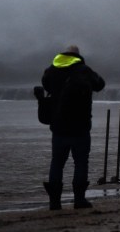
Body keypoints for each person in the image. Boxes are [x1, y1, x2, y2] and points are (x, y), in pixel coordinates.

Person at [41, 45, 105, 210]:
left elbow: (45, 85)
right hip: (81, 126)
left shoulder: (51, 70)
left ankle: (54, 202)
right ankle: (79, 200)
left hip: (58, 126)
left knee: (57, 163)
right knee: (81, 162)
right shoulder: (84, 70)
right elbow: (100, 84)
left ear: (63, 55)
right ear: (77, 56)